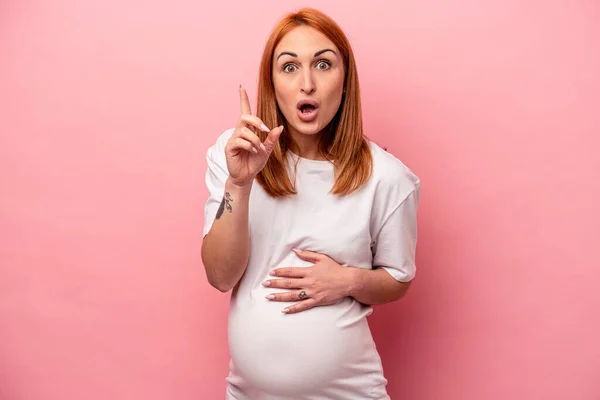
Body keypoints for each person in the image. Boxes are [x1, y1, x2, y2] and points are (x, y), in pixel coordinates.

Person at [201, 7, 420, 400]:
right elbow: (220, 276)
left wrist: (349, 281)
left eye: (323, 64)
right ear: (271, 82)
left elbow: (398, 279)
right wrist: (239, 182)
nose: (307, 84)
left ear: (346, 79)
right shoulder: (232, 154)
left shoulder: (388, 177)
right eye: (289, 67)